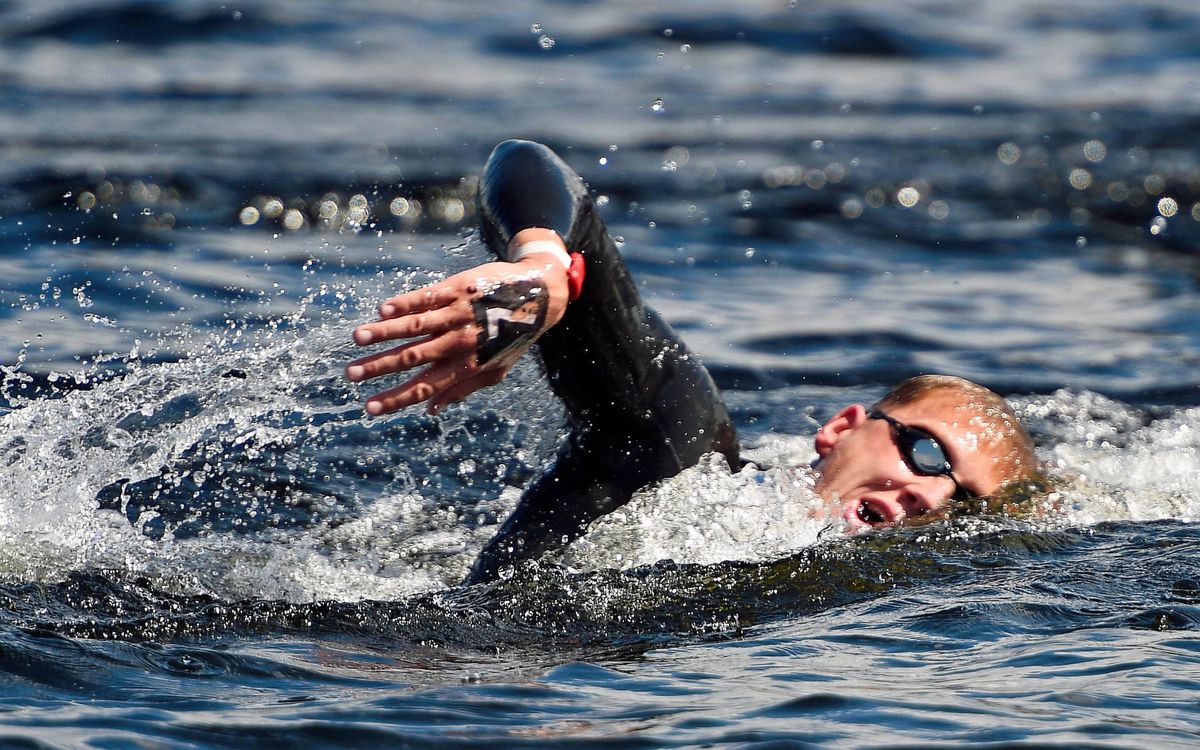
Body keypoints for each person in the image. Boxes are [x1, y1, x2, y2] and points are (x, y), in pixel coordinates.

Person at [345, 140, 1039, 584]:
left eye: (965, 503)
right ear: (840, 428)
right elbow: (530, 163)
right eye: (925, 451)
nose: (930, 495)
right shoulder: (683, 449)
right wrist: (544, 267)